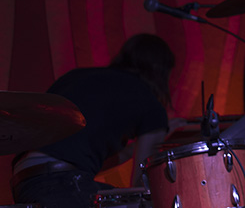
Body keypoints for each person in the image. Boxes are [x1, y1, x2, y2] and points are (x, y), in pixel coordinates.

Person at [11, 34, 183, 208]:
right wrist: (159, 142)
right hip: (62, 182)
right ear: (162, 72)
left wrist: (137, 149)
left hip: (25, 180)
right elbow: (143, 184)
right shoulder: (150, 103)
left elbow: (78, 155)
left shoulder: (79, 77)